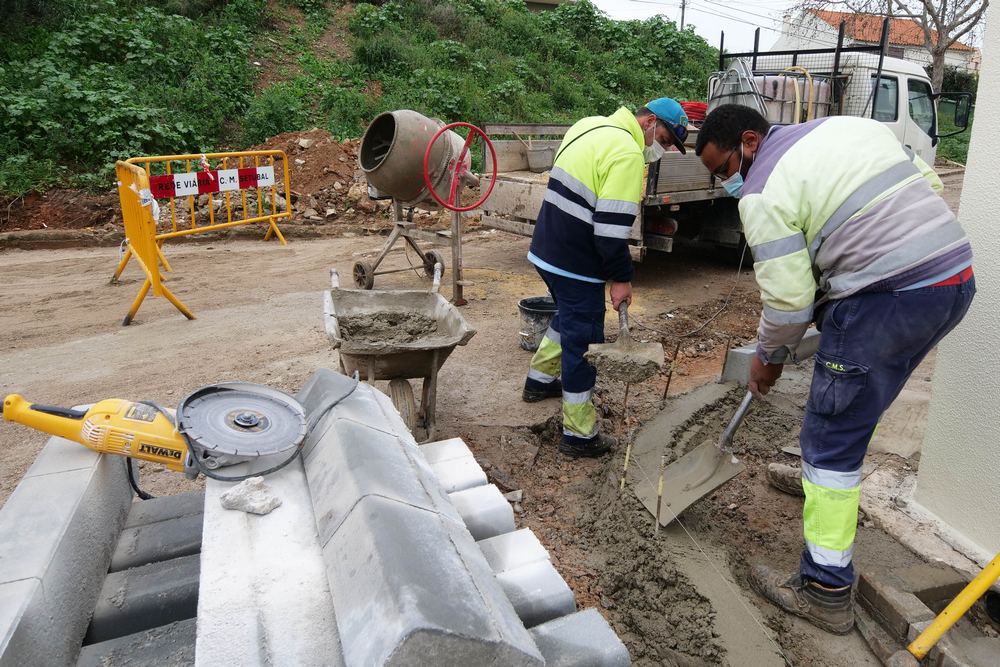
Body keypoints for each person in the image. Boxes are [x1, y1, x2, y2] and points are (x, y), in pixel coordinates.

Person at [694, 104, 975, 633]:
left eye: (724, 169)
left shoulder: (762, 192)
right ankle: (824, 482)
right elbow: (929, 184)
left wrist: (768, 359)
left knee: (830, 436)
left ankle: (824, 588)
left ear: (749, 142)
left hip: (886, 298)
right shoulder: (847, 128)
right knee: (855, 400)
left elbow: (788, 304)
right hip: (952, 280)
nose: (726, 183)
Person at [522, 98, 689, 458]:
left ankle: (539, 380)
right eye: (662, 139)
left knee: (569, 315)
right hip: (575, 261)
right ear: (649, 122)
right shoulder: (627, 152)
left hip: (546, 249)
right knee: (583, 338)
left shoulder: (590, 125)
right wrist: (621, 278)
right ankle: (579, 435)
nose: (659, 149)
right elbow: (611, 231)